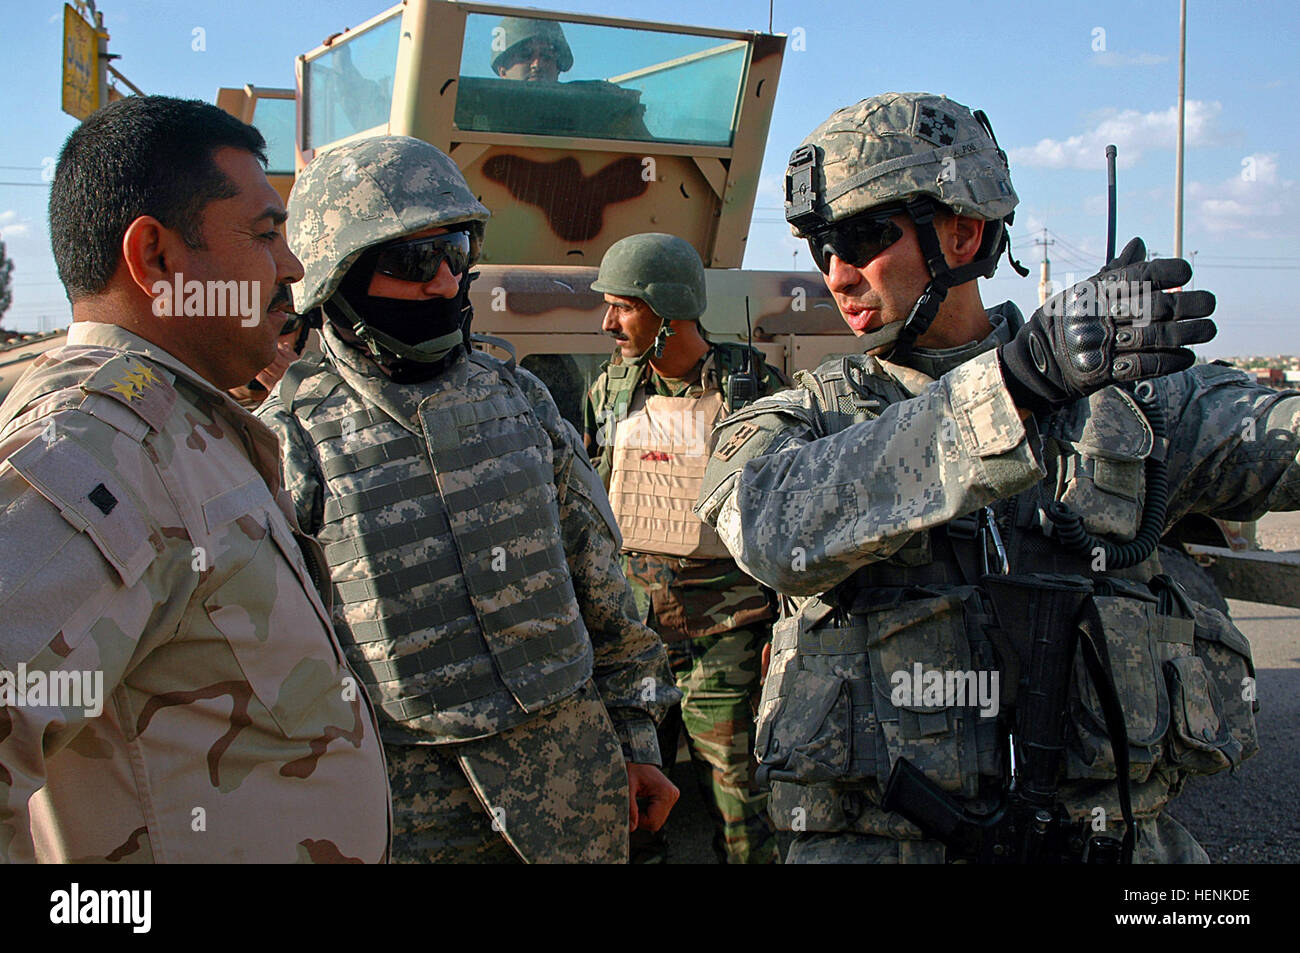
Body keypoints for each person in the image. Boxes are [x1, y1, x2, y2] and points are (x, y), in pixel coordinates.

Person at [695, 92, 1270, 864]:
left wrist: (1052, 384)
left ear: (963, 232)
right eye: (819, 245)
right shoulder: (803, 419)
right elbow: (769, 527)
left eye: (864, 236)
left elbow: (1273, 441)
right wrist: (1015, 387)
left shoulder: (1125, 404)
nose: (837, 273)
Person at [258, 135, 680, 864]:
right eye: (414, 261)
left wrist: (638, 735)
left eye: (456, 252)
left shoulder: (520, 399)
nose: (445, 282)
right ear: (340, 275)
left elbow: (604, 590)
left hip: (573, 785)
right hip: (407, 810)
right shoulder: (289, 442)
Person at [0, 96, 390, 863]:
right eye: (266, 234)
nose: (294, 267)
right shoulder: (99, 445)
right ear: (157, 259)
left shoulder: (174, 420)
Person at [583, 233, 785, 863]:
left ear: (668, 311)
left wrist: (782, 632)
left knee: (740, 810)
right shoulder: (610, 393)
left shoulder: (753, 392)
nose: (608, 321)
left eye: (623, 306)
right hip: (633, 641)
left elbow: (788, 524)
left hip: (725, 635)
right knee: (629, 810)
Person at [492, 17, 572, 83]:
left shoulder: (578, 100)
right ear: (503, 71)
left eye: (546, 57)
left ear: (557, 69)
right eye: (525, 56)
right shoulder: (483, 101)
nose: (537, 64)